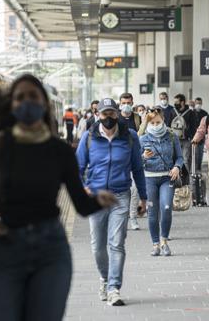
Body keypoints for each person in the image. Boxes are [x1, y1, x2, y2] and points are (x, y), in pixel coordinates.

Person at [0, 74, 116, 321]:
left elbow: (81, 206)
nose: (26, 102)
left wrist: (98, 200)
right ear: (11, 104)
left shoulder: (60, 151)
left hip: (50, 250)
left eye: (33, 96)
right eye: (20, 97)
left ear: (44, 104)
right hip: (5, 247)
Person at [76, 98, 148, 307]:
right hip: (96, 197)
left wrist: (144, 198)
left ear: (117, 114)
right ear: (98, 115)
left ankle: (114, 288)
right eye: (104, 114)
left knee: (116, 243)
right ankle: (105, 278)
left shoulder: (130, 137)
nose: (108, 117)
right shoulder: (88, 138)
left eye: (111, 113)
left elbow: (138, 169)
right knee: (98, 247)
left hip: (120, 196)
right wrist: (83, 188)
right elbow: (78, 169)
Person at [139, 108, 183, 257]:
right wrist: (143, 157)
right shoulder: (143, 139)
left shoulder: (171, 136)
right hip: (149, 179)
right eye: (152, 122)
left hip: (167, 178)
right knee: (152, 212)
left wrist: (177, 167)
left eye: (158, 122)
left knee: (166, 207)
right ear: (148, 123)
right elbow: (136, 163)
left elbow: (180, 157)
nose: (156, 125)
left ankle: (164, 241)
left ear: (163, 120)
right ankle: (155, 244)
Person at [118, 93, 143, 230]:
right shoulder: (115, 118)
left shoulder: (137, 118)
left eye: (128, 102)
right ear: (120, 103)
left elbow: (143, 136)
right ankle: (122, 217)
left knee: (134, 189)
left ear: (132, 102)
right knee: (121, 190)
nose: (126, 105)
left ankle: (133, 217)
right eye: (124, 102)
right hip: (119, 160)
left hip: (134, 158)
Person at [172, 93, 198, 177]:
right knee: (175, 158)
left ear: (182, 102)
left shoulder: (190, 113)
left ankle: (185, 177)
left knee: (186, 159)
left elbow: (194, 126)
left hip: (186, 139)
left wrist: (193, 138)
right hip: (174, 139)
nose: (175, 104)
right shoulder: (173, 111)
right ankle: (176, 175)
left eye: (177, 102)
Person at [193, 97, 208, 171]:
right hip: (194, 137)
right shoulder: (191, 112)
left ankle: (198, 167)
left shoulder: (204, 113)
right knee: (194, 154)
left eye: (199, 103)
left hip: (202, 138)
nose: (198, 105)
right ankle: (194, 168)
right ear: (194, 103)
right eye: (197, 103)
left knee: (200, 154)